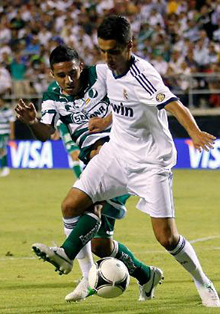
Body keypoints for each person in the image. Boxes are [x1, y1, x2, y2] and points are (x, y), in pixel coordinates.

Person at [27, 16, 220, 307]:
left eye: (114, 51)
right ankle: (70, 259)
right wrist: (106, 119)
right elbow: (121, 105)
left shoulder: (142, 74)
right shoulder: (106, 71)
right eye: (103, 51)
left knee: (167, 238)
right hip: (116, 154)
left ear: (130, 46)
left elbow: (173, 104)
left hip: (151, 163)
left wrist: (194, 133)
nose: (108, 58)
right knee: (71, 206)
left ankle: (202, 280)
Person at [16, 45, 163, 302]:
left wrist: (108, 122)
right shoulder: (53, 97)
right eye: (61, 75)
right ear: (52, 74)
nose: (68, 79)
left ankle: (70, 259)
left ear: (81, 66)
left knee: (84, 207)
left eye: (72, 72)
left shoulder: (104, 75)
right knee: (101, 245)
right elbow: (45, 133)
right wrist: (31, 122)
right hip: (93, 165)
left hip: (122, 158)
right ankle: (146, 274)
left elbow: (133, 97)